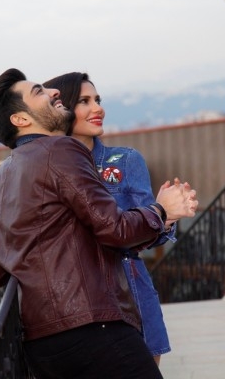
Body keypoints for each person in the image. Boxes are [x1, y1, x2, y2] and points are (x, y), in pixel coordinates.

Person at [0, 68, 198, 379]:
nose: (53, 92)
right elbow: (115, 228)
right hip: (94, 326)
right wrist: (161, 211)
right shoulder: (61, 149)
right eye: (39, 91)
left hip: (41, 342)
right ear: (21, 119)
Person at [44, 72, 176, 365]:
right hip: (69, 307)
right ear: (61, 109)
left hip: (131, 294)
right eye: (84, 101)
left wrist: (166, 217)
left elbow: (146, 235)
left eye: (97, 100)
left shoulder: (126, 160)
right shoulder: (40, 167)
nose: (98, 108)